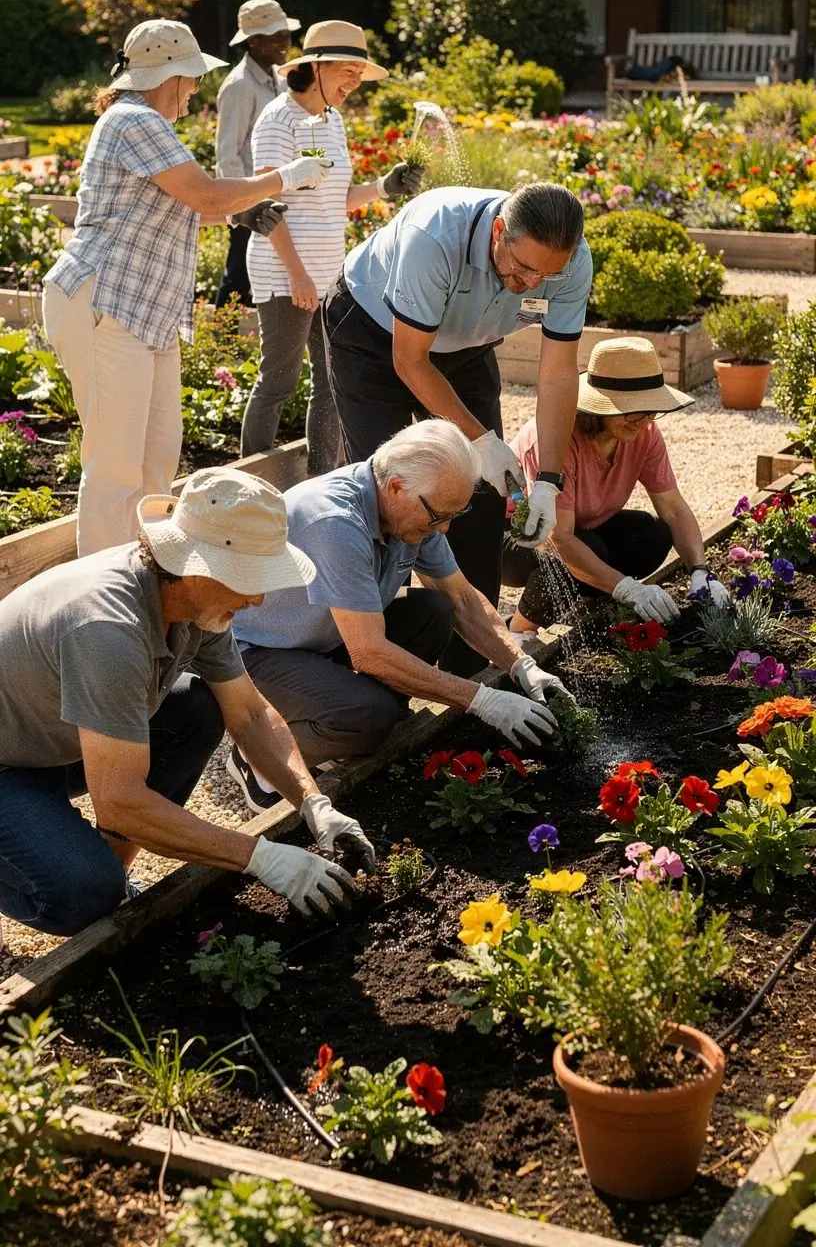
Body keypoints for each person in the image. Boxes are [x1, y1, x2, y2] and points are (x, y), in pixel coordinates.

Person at [0, 466, 376, 938]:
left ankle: (111, 880)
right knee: (84, 893)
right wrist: (258, 856)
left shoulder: (197, 608)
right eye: (250, 578)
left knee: (196, 710)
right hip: (7, 764)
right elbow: (117, 802)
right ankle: (94, 886)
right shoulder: (108, 631)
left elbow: (251, 714)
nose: (258, 598)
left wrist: (314, 803)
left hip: (48, 737)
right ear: (197, 565)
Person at [42, 18, 326, 556]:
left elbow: (176, 207)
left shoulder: (149, 123)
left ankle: (145, 584)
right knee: (116, 469)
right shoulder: (133, 121)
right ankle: (102, 606)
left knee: (156, 460)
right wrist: (285, 177)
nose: (197, 88)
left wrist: (243, 212)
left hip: (142, 312)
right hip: (106, 304)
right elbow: (206, 196)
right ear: (168, 76)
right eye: (192, 78)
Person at [228, 420, 573, 812]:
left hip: (324, 636)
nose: (443, 529)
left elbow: (461, 598)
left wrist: (522, 665)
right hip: (258, 653)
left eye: (453, 515)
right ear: (395, 487)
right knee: (370, 716)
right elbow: (368, 653)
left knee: (433, 612)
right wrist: (481, 700)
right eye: (438, 515)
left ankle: (342, 728)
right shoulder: (336, 523)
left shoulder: (413, 511)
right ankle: (257, 755)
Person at [322, 180, 592, 674]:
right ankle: (371, 660)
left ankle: (471, 667)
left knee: (481, 496)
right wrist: (481, 440)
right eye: (523, 268)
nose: (533, 284)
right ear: (497, 231)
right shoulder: (435, 233)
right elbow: (409, 361)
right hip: (372, 336)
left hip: (463, 349)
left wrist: (550, 481)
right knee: (387, 498)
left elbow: (556, 373)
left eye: (546, 275)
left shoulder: (569, 263)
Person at [240, 20, 424, 478]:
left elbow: (337, 195)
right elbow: (267, 205)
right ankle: (244, 485)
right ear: (316, 68)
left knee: (331, 383)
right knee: (278, 381)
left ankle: (323, 482)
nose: (354, 83)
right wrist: (298, 275)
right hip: (285, 271)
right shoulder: (278, 120)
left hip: (328, 272)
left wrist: (384, 186)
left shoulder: (332, 119)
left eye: (360, 75)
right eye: (348, 71)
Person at [502, 337, 731, 635]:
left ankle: (585, 604)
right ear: (600, 407)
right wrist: (626, 588)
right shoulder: (555, 437)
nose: (645, 420)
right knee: (581, 552)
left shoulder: (644, 432)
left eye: (651, 410)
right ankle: (518, 632)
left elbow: (673, 508)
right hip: (514, 537)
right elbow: (557, 538)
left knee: (652, 535)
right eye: (634, 409)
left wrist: (701, 572)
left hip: (578, 530)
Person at [214, 0, 300, 308]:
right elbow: (227, 153)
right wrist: (242, 205)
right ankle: (221, 341)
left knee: (265, 275)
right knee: (238, 275)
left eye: (285, 34)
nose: (284, 42)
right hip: (250, 201)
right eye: (275, 35)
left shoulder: (278, 80)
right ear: (252, 41)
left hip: (274, 195)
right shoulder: (239, 86)